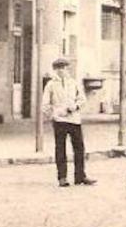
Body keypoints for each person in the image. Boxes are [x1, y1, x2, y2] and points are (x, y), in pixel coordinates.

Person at [41, 57, 96, 187]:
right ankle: (62, 177)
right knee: (60, 148)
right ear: (55, 70)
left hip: (74, 119)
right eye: (58, 68)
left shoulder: (74, 83)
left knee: (79, 148)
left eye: (63, 68)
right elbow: (45, 104)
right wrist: (54, 114)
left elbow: (82, 99)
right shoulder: (51, 85)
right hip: (59, 120)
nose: (61, 71)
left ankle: (80, 176)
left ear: (67, 69)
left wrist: (75, 107)